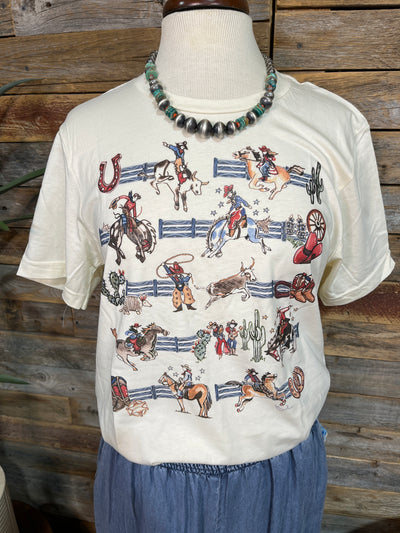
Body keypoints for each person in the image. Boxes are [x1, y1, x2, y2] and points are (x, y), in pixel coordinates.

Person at [17, 0, 394, 531]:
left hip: (278, 462)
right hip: (141, 469)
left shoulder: (335, 127)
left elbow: (334, 285)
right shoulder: (87, 132)